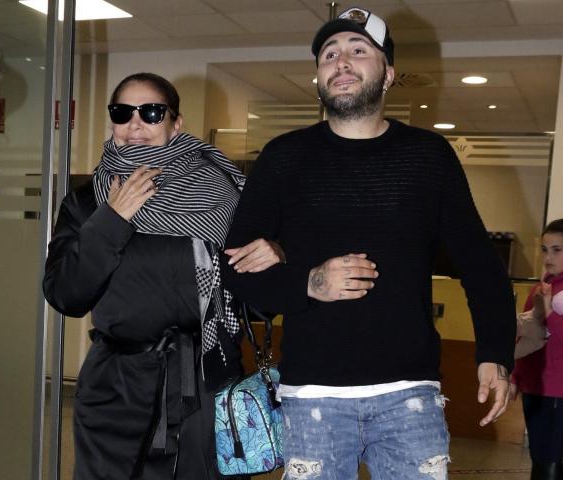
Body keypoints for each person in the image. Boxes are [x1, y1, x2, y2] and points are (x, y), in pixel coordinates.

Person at [221, 7, 516, 479]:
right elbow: (234, 270)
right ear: (319, 77)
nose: (341, 62)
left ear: (389, 74)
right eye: (329, 54)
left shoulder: (429, 156)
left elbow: (481, 266)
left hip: (410, 395)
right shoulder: (283, 157)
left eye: (358, 51)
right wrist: (309, 282)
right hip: (312, 395)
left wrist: (495, 354)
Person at [43, 72, 283, 480]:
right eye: (122, 112)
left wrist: (275, 258)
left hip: (205, 384)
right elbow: (65, 294)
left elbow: (258, 305)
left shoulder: (222, 196)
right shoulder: (90, 200)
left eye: (152, 112)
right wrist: (113, 219)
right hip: (116, 391)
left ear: (176, 123)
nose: (135, 124)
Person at [511, 219, 563, 480]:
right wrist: (514, 377)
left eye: (557, 250)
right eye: (544, 249)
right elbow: (527, 340)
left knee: (550, 462)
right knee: (540, 459)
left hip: (558, 391)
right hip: (534, 389)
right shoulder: (539, 289)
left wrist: (550, 312)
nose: (548, 257)